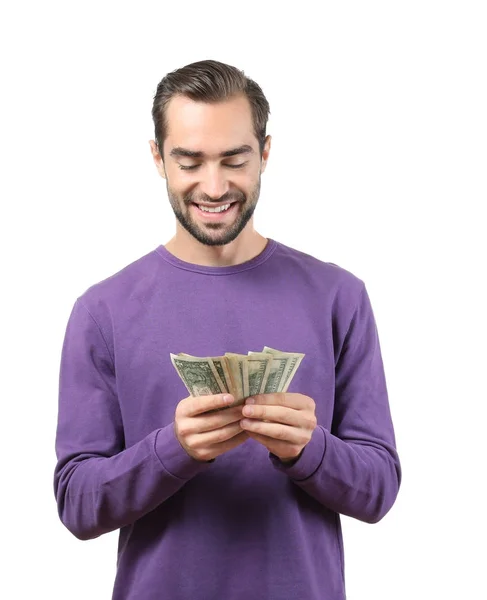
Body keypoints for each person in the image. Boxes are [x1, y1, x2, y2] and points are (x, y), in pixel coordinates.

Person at [53, 59, 402, 600]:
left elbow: (378, 490)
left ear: (264, 154)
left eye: (233, 160)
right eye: (189, 161)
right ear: (157, 159)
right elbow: (77, 503)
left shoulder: (339, 296)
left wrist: (309, 450)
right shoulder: (102, 310)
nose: (213, 187)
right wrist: (173, 450)